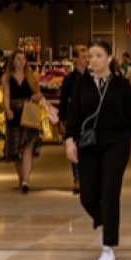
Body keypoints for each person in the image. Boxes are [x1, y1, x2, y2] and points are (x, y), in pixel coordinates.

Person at [63, 40, 131, 260]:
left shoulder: (121, 84)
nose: (93, 60)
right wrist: (69, 139)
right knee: (87, 196)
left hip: (116, 142)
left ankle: (108, 246)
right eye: (90, 56)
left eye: (98, 55)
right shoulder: (81, 84)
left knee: (109, 191)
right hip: (89, 144)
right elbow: (73, 114)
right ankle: (104, 220)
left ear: (109, 58)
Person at [1, 50, 45, 194]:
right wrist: (7, 109)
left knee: (28, 148)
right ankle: (21, 178)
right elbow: (6, 95)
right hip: (14, 115)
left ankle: (26, 180)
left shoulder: (32, 77)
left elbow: (38, 93)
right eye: (18, 58)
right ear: (12, 61)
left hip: (28, 114)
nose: (21, 61)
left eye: (23, 59)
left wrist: (35, 97)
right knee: (16, 150)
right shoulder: (7, 78)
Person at [56, 45, 89, 194]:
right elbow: (63, 101)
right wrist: (61, 121)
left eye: (87, 57)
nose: (86, 60)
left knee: (87, 149)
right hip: (74, 118)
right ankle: (77, 179)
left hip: (89, 118)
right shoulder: (69, 79)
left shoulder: (92, 77)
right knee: (74, 148)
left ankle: (87, 178)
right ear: (75, 59)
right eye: (83, 57)